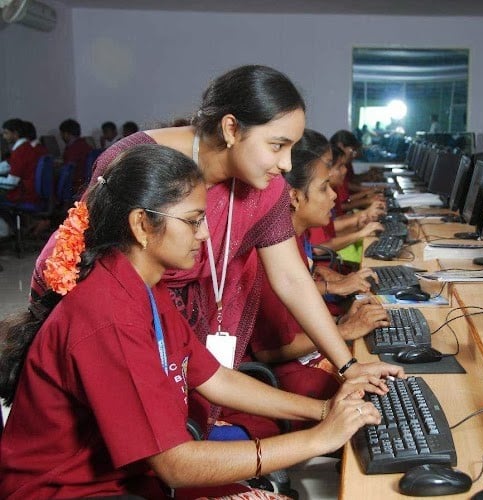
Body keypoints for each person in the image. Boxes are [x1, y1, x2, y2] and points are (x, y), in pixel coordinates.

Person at [30, 65, 402, 435]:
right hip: (126, 337)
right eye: (277, 145)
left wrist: (349, 366)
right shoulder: (140, 165)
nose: (287, 164)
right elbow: (98, 281)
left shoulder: (266, 189)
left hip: (191, 338)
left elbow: (290, 277)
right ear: (230, 129)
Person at [0, 144, 381, 498]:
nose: (205, 234)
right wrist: (319, 439)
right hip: (66, 491)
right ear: (142, 225)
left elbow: (215, 378)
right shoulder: (108, 315)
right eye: (193, 220)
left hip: (125, 479)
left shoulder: (147, 287)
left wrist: (321, 411)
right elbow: (176, 465)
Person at [246, 130, 389, 436]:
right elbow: (270, 353)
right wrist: (344, 329)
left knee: (379, 375)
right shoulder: (271, 257)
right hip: (287, 373)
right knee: (379, 398)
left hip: (304, 359)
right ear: (294, 197)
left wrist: (341, 325)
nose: (335, 195)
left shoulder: (289, 241)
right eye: (324, 187)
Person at [0, 118, 45, 204]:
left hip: (23, 194)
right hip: (31, 191)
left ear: (15, 133)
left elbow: (11, 183)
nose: (4, 136)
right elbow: (11, 165)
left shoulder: (20, 151)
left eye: (6, 133)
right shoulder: (27, 147)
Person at [59, 118, 93, 191]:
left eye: (62, 134)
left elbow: (68, 170)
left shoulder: (72, 149)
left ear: (66, 134)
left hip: (75, 185)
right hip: (85, 183)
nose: (61, 137)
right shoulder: (85, 144)